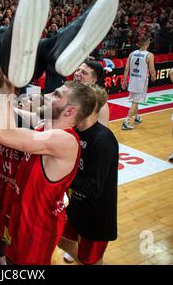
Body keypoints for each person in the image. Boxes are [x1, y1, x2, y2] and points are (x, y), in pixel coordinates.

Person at [0, 75, 96, 265]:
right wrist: (1, 86)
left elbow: (1, 133)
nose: (47, 95)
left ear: (70, 110)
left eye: (56, 94)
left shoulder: (64, 140)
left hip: (36, 228)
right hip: (21, 216)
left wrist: (8, 86)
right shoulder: (44, 125)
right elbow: (6, 114)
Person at [58, 84, 119, 265]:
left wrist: (61, 170)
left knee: (90, 260)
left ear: (90, 107)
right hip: (76, 207)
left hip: (96, 217)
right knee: (59, 239)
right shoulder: (75, 131)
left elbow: (93, 188)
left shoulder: (103, 140)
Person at [121, 36, 156, 130]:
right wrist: (153, 75)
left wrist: (124, 80)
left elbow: (126, 69)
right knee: (136, 102)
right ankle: (126, 122)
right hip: (141, 81)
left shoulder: (132, 53)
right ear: (148, 44)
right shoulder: (149, 55)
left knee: (135, 100)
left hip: (132, 80)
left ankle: (137, 117)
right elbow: (152, 69)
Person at [72, 60, 110, 127]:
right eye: (78, 70)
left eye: (84, 73)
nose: (77, 74)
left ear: (93, 80)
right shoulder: (67, 93)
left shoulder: (98, 101)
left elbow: (103, 130)